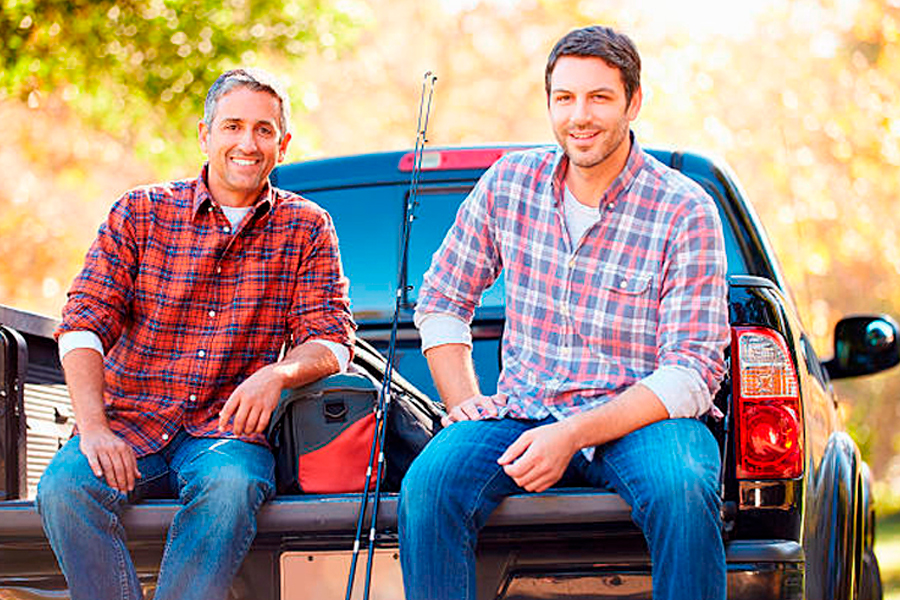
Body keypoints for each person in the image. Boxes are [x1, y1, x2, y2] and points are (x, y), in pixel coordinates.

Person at [399, 25, 730, 600]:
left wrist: (571, 435)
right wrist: (462, 404)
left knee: (683, 487)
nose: (580, 116)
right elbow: (442, 299)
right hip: (522, 412)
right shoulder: (510, 184)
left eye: (600, 97)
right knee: (429, 485)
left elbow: (692, 372)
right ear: (550, 101)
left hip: (641, 422)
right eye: (565, 98)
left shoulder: (684, 209)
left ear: (634, 101)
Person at [36, 68, 355, 600]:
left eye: (263, 130)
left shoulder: (307, 226)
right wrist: (92, 428)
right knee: (64, 488)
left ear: (283, 144)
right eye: (232, 127)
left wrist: (276, 375)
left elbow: (332, 338)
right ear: (205, 136)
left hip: (225, 434)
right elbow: (82, 323)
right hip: (128, 424)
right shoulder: (140, 212)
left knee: (233, 488)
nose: (247, 144)